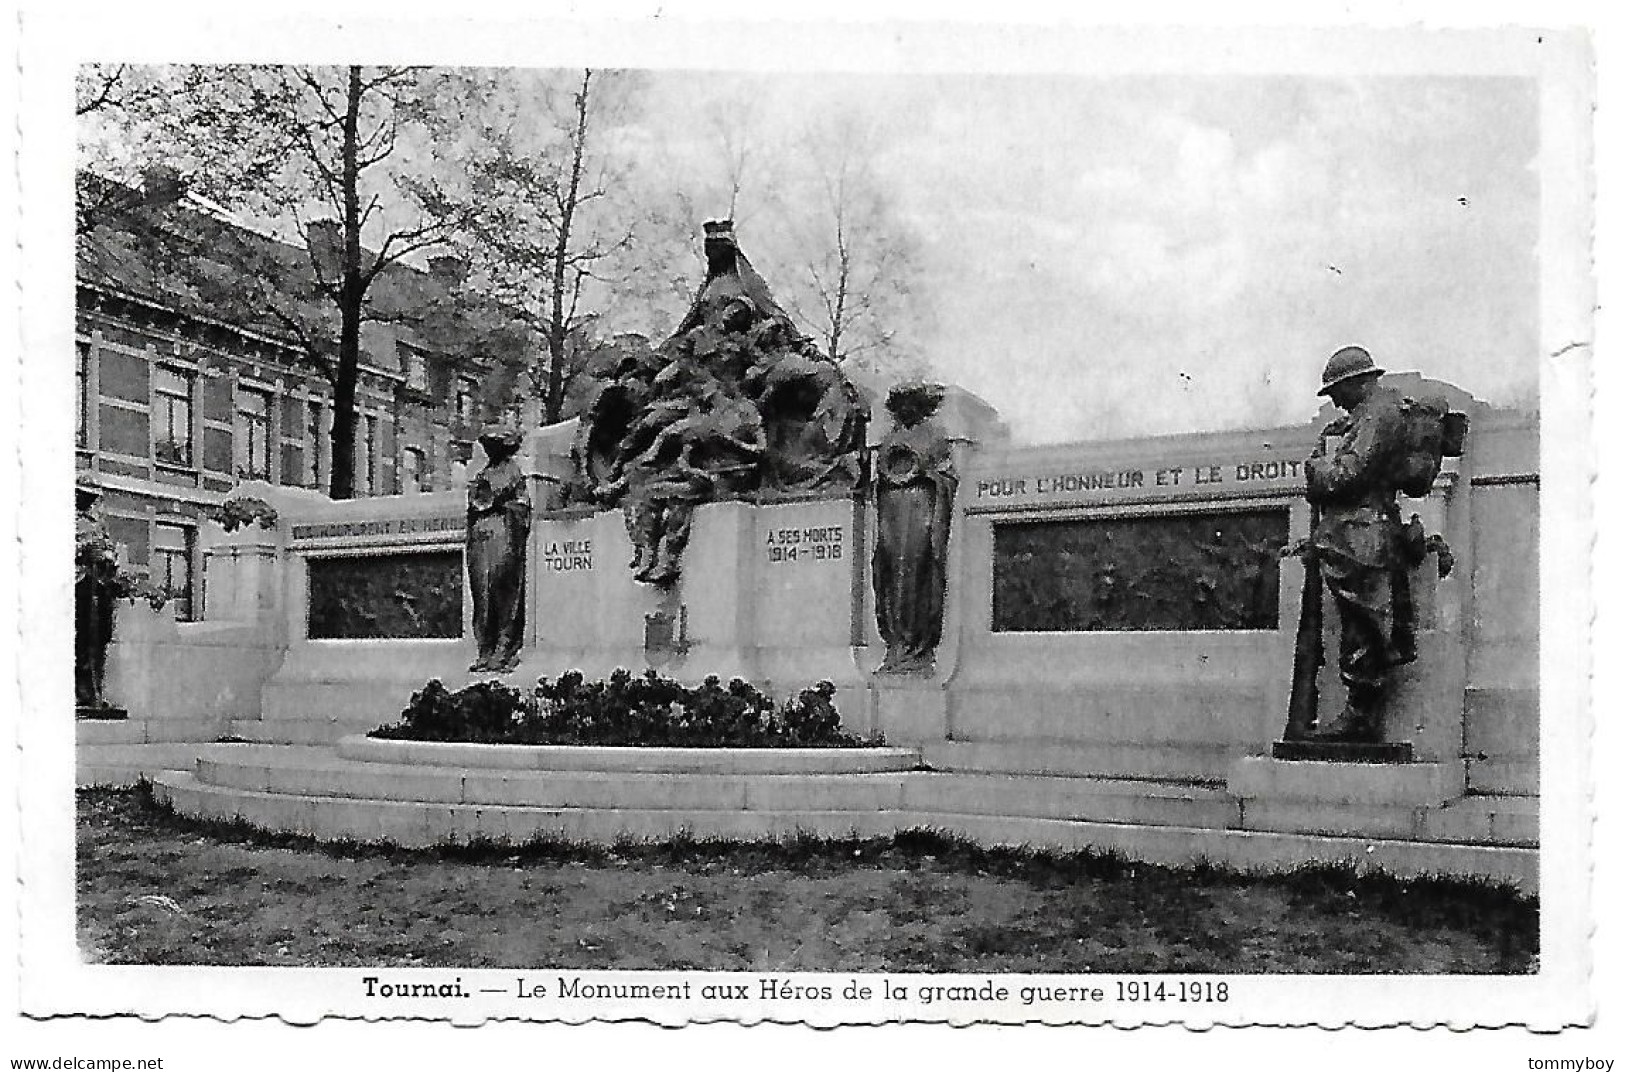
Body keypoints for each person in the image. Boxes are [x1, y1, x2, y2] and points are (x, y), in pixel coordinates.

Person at [1302, 346, 1417, 740]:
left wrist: (1315, 466)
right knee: (1360, 624)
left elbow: (1346, 475)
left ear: (1355, 383)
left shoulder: (1376, 415)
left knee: (1364, 626)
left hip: (1362, 536)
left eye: (1335, 390)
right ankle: (1358, 713)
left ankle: (1360, 717)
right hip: (1355, 535)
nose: (1333, 399)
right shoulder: (1368, 415)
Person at [872, 383, 957, 673]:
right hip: (892, 510)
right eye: (901, 404)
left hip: (922, 507)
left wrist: (923, 472)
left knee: (917, 571)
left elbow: (948, 477)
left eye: (912, 404)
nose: (906, 410)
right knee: (888, 572)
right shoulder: (890, 438)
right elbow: (880, 473)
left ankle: (916, 646)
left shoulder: (934, 436)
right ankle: (896, 643)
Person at [466, 428, 531, 673]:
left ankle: (505, 646)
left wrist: (502, 506)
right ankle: (485, 647)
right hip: (481, 538)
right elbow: (473, 505)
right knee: (481, 593)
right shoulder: (483, 473)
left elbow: (523, 505)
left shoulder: (513, 471)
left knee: (502, 588)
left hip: (504, 534)